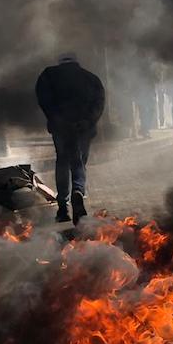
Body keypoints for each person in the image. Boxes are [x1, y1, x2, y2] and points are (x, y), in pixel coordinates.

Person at [35, 51, 105, 224]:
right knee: (79, 161)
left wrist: (56, 119)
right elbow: (99, 103)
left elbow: (44, 100)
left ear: (59, 61)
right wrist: (87, 121)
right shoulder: (91, 78)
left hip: (61, 129)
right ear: (76, 61)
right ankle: (78, 191)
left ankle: (62, 207)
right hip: (83, 128)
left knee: (62, 162)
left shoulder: (48, 76)